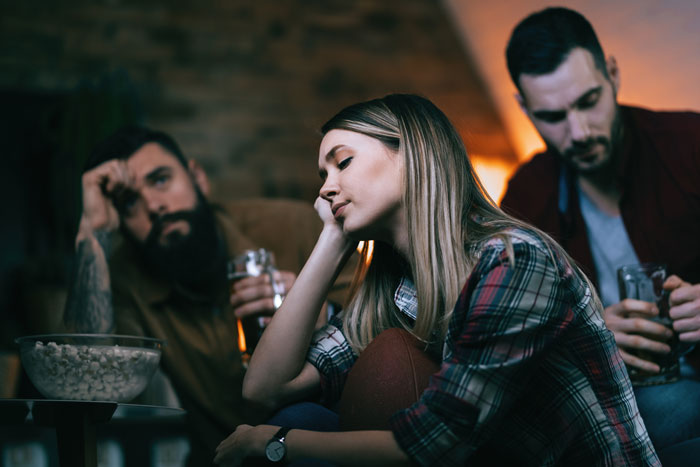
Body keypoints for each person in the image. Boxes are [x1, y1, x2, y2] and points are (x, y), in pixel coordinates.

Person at [213, 94, 658, 466]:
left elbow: (439, 440)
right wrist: (331, 240)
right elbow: (263, 388)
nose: (325, 189)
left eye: (342, 163)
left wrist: (273, 442)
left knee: (296, 431)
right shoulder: (397, 287)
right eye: (322, 177)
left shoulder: (513, 260)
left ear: (416, 154)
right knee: (303, 412)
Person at [61, 126, 354, 466]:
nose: (153, 206)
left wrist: (324, 313)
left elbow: (386, 334)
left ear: (197, 178)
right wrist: (92, 237)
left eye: (160, 180)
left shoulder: (294, 225)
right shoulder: (127, 280)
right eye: (129, 202)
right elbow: (86, 386)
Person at [500, 6, 700, 454]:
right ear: (523, 108)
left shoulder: (690, 144)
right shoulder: (527, 194)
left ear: (612, 73)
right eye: (552, 116)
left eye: (589, 101)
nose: (580, 131)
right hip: (607, 394)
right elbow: (500, 328)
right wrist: (584, 334)